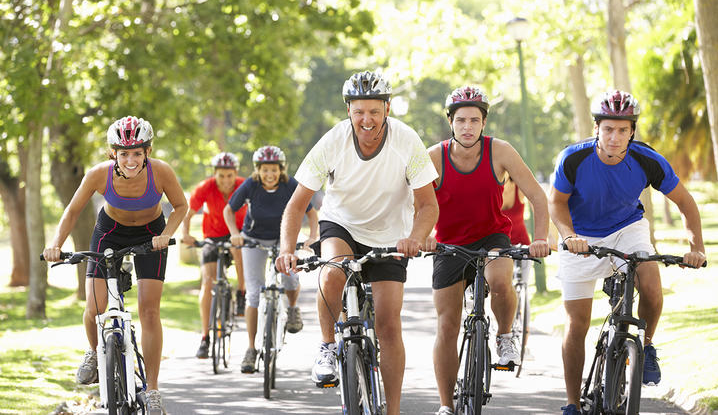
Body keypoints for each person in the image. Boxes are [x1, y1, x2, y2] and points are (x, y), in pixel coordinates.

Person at [276, 70, 440, 415]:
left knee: (388, 324)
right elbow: (295, 204)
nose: (367, 120)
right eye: (358, 111)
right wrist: (286, 249)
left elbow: (428, 205)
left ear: (388, 108)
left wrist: (415, 237)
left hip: (391, 234)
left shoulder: (407, 141)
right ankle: (326, 346)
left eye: (374, 112)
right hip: (342, 224)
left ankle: (392, 409)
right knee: (333, 272)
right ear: (348, 110)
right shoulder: (332, 142)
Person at [548, 90, 707, 415]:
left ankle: (646, 347)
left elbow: (686, 203)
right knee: (577, 323)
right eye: (608, 129)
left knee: (651, 286)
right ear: (596, 128)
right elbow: (557, 203)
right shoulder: (573, 159)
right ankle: (572, 403)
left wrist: (697, 248)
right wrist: (569, 236)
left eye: (623, 130)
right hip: (581, 236)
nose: (615, 137)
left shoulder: (648, 160)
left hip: (627, 229)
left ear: (632, 131)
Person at [43, 116, 188, 414]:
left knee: (149, 310)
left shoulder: (161, 172)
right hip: (109, 232)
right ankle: (96, 353)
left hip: (151, 234)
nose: (131, 159)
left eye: (137, 152)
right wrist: (56, 244)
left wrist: (166, 234)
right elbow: (72, 211)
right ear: (113, 154)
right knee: (94, 307)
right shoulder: (99, 174)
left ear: (148, 151)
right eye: (124, 153)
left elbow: (181, 206)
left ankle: (153, 390)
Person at [426, 86, 550, 415]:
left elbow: (538, 196)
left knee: (499, 281)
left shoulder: (500, 151)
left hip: (492, 237)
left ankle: (505, 336)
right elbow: (413, 204)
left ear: (484, 123)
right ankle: (445, 405)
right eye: (462, 120)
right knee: (447, 325)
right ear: (450, 122)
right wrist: (420, 235)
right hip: (449, 245)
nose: (468, 127)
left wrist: (540, 239)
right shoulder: (433, 157)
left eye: (475, 120)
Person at [223, 145, 319, 373]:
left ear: (281, 169)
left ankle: (293, 308)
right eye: (265, 170)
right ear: (258, 170)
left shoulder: (290, 185)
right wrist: (235, 234)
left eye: (274, 170)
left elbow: (310, 211)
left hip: (283, 240)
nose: (269, 174)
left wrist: (312, 237)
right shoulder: (251, 185)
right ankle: (250, 349)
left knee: (289, 280)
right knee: (254, 293)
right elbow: (229, 210)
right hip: (253, 240)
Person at [182, 152, 248, 359]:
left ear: (235, 173)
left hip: (238, 233)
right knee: (208, 282)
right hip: (212, 236)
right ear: (215, 174)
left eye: (229, 176)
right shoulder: (206, 187)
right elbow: (188, 212)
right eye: (221, 176)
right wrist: (185, 234)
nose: (226, 181)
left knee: (238, 250)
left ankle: (241, 293)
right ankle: (204, 337)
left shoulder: (243, 185)